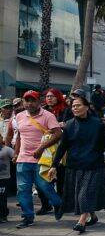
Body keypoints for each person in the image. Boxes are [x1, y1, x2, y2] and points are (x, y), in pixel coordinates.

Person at [50, 96, 105, 233]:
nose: (75, 108)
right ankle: (93, 216)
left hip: (93, 165)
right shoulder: (69, 125)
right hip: (74, 165)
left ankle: (81, 221)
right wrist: (54, 165)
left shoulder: (98, 124)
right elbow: (62, 147)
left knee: (84, 194)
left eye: (78, 105)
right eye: (73, 106)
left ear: (86, 107)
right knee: (80, 194)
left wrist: (93, 153)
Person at [11, 90, 64, 228]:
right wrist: (16, 153)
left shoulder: (48, 116)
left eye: (32, 100)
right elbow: (19, 136)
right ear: (23, 101)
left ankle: (58, 203)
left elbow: (57, 134)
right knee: (23, 190)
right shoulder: (20, 116)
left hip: (43, 159)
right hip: (23, 159)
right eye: (26, 100)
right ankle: (27, 217)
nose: (29, 103)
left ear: (39, 101)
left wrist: (41, 148)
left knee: (44, 186)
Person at [0, 135, 13, 222]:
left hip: (4, 178)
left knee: (2, 198)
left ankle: (3, 215)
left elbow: (15, 157)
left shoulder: (7, 150)